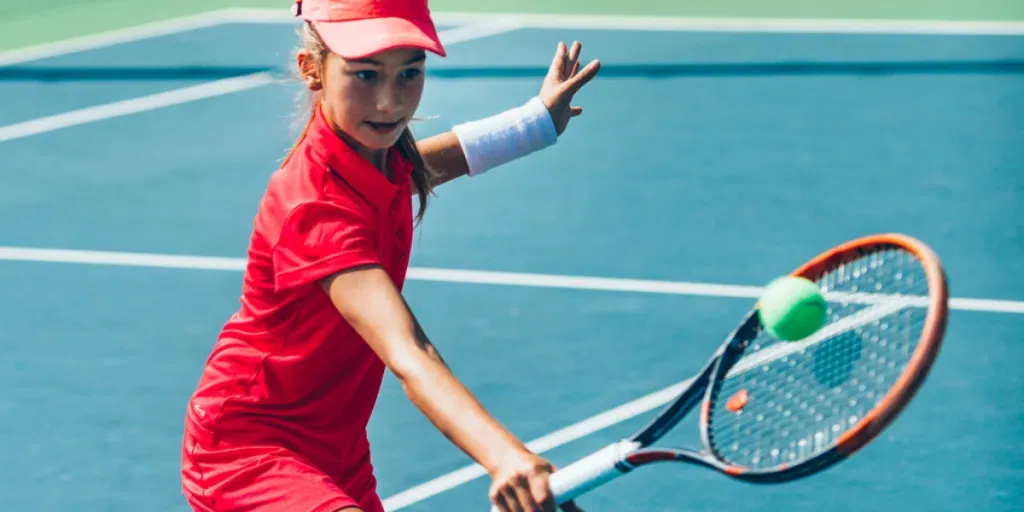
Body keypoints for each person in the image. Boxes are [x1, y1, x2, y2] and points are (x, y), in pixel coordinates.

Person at [180, 0, 600, 510]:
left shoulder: (379, 156)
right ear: (312, 70)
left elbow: (428, 165)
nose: (389, 102)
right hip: (250, 452)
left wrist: (533, 125)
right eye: (364, 74)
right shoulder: (314, 206)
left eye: (409, 73)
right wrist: (505, 457)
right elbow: (407, 352)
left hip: (336, 448)